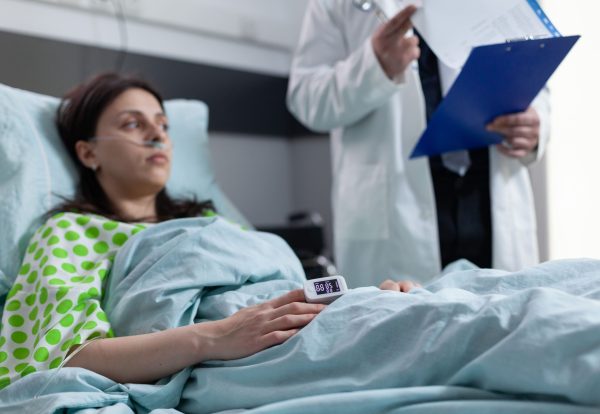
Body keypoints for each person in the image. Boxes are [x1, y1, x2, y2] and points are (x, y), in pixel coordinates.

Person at [0, 73, 416, 390]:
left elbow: (284, 295)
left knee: (428, 307)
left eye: (163, 125)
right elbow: (64, 357)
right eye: (132, 124)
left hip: (308, 327)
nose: (156, 135)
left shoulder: (215, 224)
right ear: (88, 152)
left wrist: (361, 298)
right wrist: (216, 337)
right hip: (247, 357)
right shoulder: (71, 232)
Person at [287, 2, 550, 287]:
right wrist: (373, 65)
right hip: (397, 214)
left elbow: (535, 76)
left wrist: (536, 124)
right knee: (405, 327)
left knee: (505, 318)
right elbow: (305, 99)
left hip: (489, 199)